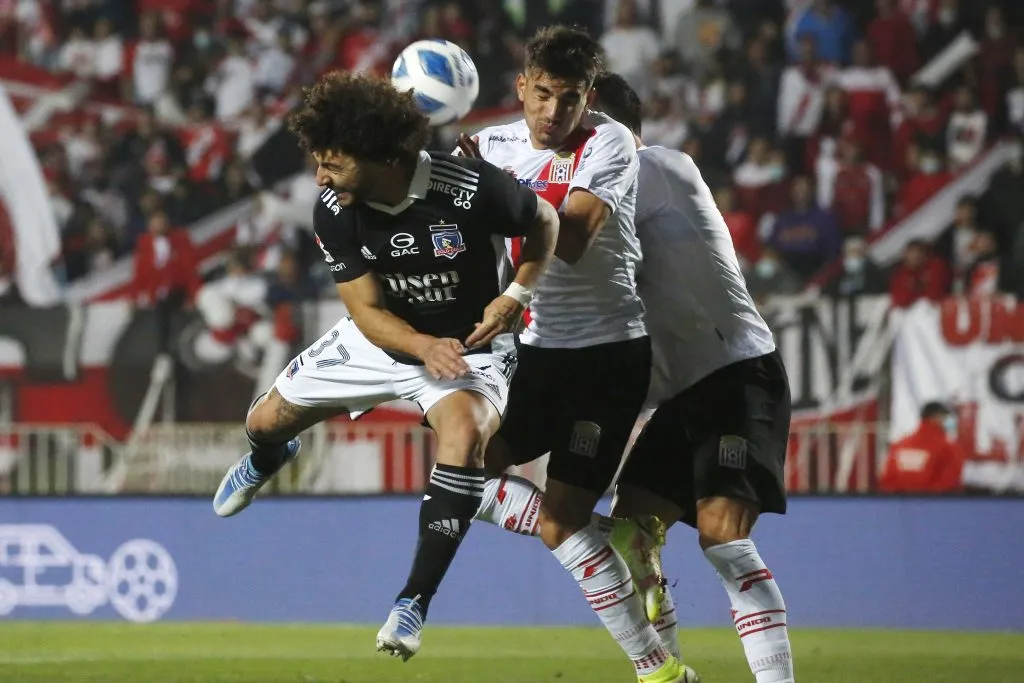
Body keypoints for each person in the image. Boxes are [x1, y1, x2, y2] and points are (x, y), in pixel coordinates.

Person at [209, 71, 560, 657]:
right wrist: (422, 347)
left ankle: (411, 604)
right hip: (381, 340)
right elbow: (367, 312)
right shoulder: (334, 209)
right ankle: (270, 456)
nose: (320, 178)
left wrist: (516, 295)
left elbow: (544, 221)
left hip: (470, 346)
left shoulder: (469, 187)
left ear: (382, 158)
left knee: (465, 432)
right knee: (263, 422)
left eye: (333, 165)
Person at [465, 73, 797, 683]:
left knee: (722, 538)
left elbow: (564, 232)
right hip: (674, 394)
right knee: (629, 535)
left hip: (736, 375)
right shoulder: (587, 185)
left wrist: (489, 178)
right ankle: (668, 669)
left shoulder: (659, 168)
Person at [444, 26, 690, 683]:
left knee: (559, 524)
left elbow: (573, 238)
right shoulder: (490, 145)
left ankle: (657, 668)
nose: (555, 111)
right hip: (537, 354)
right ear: (522, 86)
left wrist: (490, 188)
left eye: (572, 98)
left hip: (606, 360)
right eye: (544, 94)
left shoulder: (609, 142)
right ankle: (616, 537)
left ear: (589, 98)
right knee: (458, 470)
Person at [879, 401, 964, 493]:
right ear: (935, 417)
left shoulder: (900, 445)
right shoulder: (949, 447)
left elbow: (887, 480)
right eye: (945, 417)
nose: (948, 421)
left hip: (898, 500)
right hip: (933, 500)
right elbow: (951, 480)